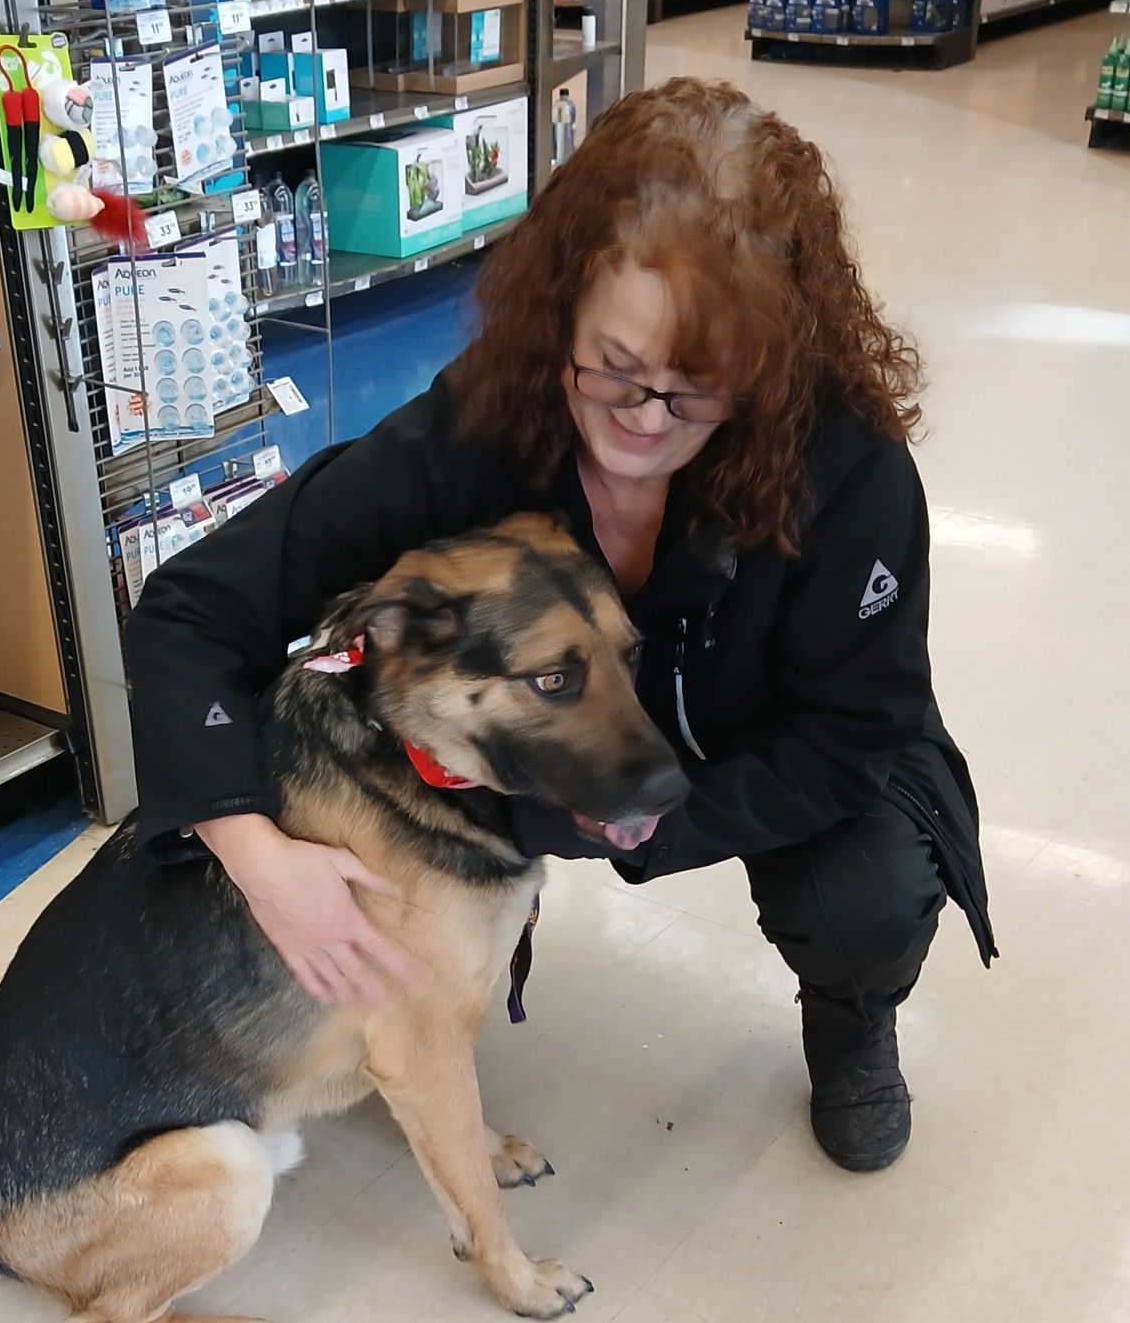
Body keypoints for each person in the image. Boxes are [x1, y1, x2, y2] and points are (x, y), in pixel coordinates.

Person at [125, 77, 994, 1174]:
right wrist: (255, 854)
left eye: (695, 390)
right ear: (562, 310)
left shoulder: (850, 471)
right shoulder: (483, 419)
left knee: (865, 897)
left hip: (773, 729)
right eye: (614, 369)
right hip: (541, 740)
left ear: (770, 365)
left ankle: (854, 1012)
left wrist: (632, 826)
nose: (640, 421)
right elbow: (196, 608)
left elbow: (853, 734)